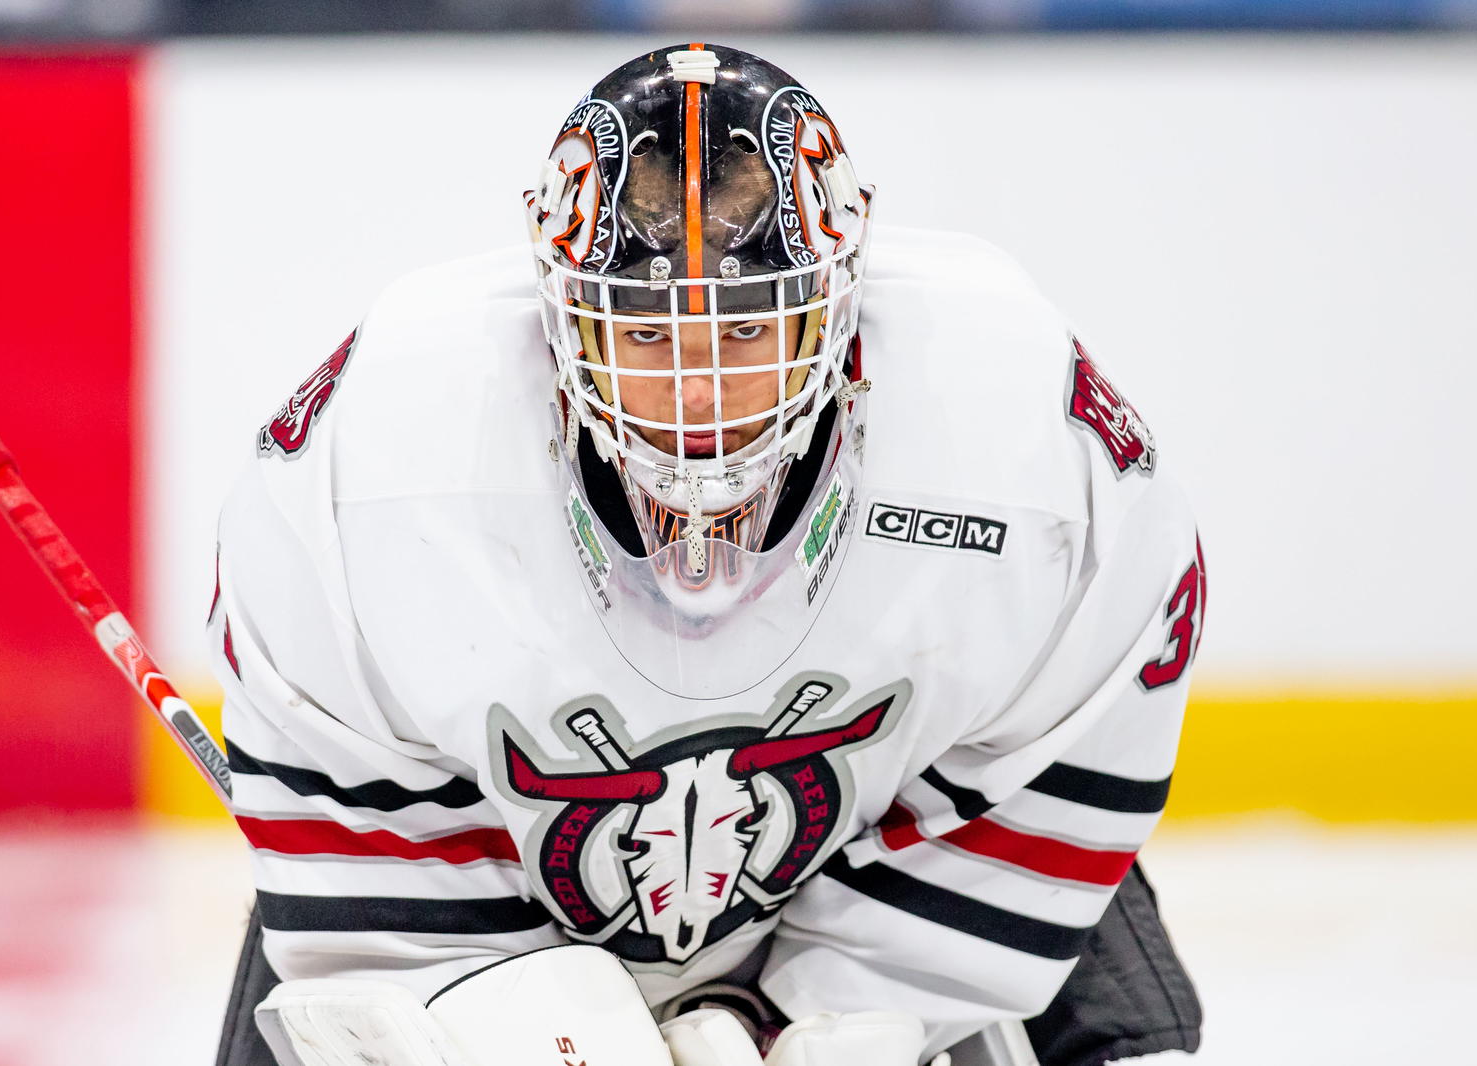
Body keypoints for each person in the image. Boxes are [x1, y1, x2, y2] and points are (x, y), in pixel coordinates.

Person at [210, 44, 1205, 1066]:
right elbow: (358, 826)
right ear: (557, 317)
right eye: (643, 334)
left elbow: (1074, 727)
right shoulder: (380, 448)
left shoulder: (1020, 427)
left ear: (837, 304)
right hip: (491, 890)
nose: (696, 396)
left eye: (745, 332)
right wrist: (501, 1012)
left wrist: (814, 1023)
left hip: (900, 865)